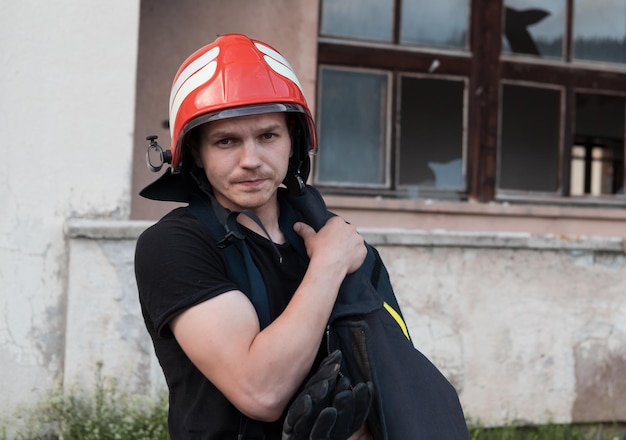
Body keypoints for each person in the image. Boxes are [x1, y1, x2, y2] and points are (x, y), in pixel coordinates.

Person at [135, 33, 468, 440]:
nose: (251, 160)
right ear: (195, 155)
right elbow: (260, 391)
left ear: (294, 140)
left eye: (267, 136)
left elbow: (391, 372)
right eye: (227, 141)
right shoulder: (174, 246)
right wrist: (327, 264)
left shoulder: (343, 243)